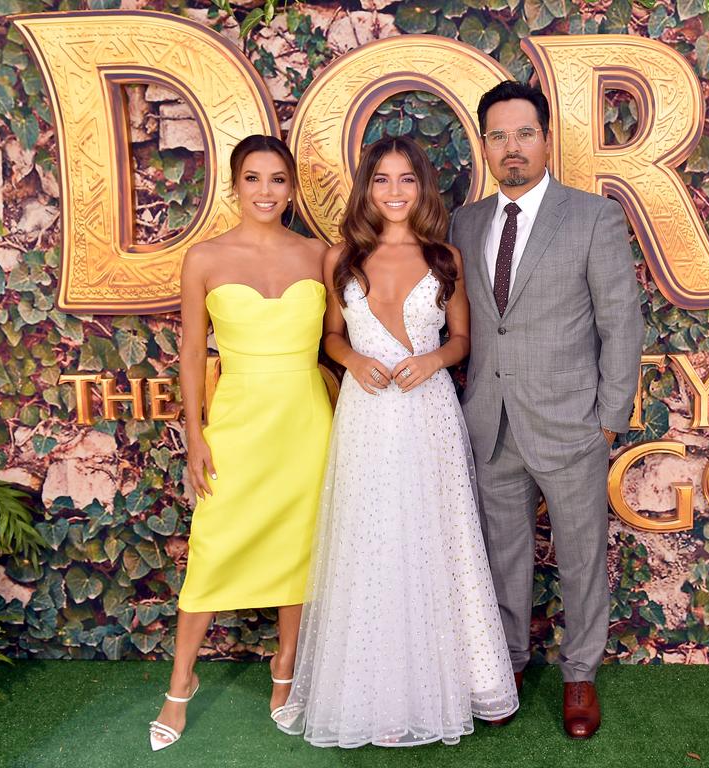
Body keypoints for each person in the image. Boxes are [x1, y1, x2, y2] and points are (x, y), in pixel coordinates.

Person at [274, 136, 518, 747]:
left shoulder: (446, 259)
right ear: (367, 188)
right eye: (382, 180)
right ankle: (370, 693)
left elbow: (463, 340)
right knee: (369, 539)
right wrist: (351, 359)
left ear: (423, 187)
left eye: (406, 180)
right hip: (365, 413)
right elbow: (330, 336)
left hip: (426, 412)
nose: (394, 192)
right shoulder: (341, 258)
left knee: (435, 535)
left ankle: (463, 683)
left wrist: (433, 359)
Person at [448, 81, 643, 739]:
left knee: (583, 554)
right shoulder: (465, 222)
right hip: (491, 419)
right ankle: (506, 664)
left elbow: (621, 322)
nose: (512, 148)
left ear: (546, 136)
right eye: (498, 136)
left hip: (572, 423)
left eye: (523, 134)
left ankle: (581, 673)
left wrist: (609, 418)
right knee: (502, 552)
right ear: (486, 143)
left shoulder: (591, 216)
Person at [148, 135, 331, 751]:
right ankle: (180, 685)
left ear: (292, 189)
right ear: (234, 185)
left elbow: (339, 339)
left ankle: (284, 676)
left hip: (307, 423)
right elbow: (192, 354)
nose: (265, 191)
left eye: (278, 180)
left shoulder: (319, 255)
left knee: (298, 551)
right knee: (213, 546)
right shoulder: (205, 257)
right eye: (253, 178)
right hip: (238, 420)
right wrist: (194, 433)